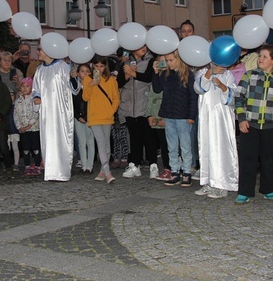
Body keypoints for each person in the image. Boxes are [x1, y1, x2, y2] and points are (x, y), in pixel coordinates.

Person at [234, 44, 273, 204]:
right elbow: (239, 97)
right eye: (260, 56)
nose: (260, 59)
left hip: (270, 126)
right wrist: (242, 118)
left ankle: (267, 189)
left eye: (265, 56)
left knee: (267, 158)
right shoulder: (249, 76)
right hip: (250, 124)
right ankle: (245, 191)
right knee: (247, 158)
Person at [152, 50, 197, 187]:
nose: (169, 63)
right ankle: (175, 171)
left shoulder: (188, 74)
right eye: (167, 61)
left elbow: (193, 97)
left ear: (178, 59)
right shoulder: (166, 74)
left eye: (171, 60)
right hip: (169, 114)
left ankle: (187, 171)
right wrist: (155, 72)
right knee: (171, 145)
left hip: (183, 116)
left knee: (185, 145)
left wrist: (191, 115)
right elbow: (157, 89)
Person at [32, 45, 77, 181]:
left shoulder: (63, 66)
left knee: (61, 137)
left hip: (61, 110)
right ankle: (51, 171)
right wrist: (36, 97)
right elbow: (36, 89)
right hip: (46, 112)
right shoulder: (39, 70)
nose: (37, 52)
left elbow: (73, 88)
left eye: (40, 49)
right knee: (48, 139)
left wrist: (73, 78)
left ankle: (62, 172)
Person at [193, 61, 237, 199]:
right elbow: (199, 88)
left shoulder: (228, 74)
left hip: (222, 118)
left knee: (221, 148)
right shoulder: (201, 72)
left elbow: (233, 96)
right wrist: (210, 72)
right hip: (207, 116)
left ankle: (222, 184)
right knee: (206, 147)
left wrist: (222, 86)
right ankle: (209, 181)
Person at [116, 45, 156, 179]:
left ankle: (153, 164)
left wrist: (134, 74)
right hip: (129, 106)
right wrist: (127, 75)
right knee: (134, 138)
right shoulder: (126, 63)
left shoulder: (151, 60)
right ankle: (135, 164)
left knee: (148, 137)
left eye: (145, 45)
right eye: (139, 46)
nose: (143, 48)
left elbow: (148, 77)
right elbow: (119, 83)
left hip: (144, 105)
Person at [83, 56, 120, 184]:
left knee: (106, 144)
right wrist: (90, 85)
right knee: (101, 143)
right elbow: (85, 97)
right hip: (94, 117)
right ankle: (108, 172)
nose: (99, 69)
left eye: (101, 66)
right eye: (96, 66)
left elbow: (116, 98)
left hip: (107, 116)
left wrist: (111, 110)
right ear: (92, 66)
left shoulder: (111, 80)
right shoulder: (88, 79)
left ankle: (102, 171)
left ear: (105, 67)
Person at [13, 77, 41, 175]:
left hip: (34, 128)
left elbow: (36, 113)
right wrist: (19, 127)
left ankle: (37, 165)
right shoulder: (18, 101)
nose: (25, 88)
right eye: (23, 86)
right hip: (23, 130)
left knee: (35, 148)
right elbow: (15, 115)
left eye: (27, 86)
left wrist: (29, 125)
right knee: (25, 148)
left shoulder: (34, 99)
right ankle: (27, 166)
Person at [71, 64, 95, 174]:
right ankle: (84, 165)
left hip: (90, 117)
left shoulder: (92, 85)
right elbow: (72, 103)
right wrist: (78, 116)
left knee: (90, 141)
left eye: (87, 71)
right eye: (82, 71)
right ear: (78, 73)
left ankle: (90, 166)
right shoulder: (75, 86)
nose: (84, 73)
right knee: (81, 141)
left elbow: (93, 103)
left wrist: (88, 116)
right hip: (78, 117)